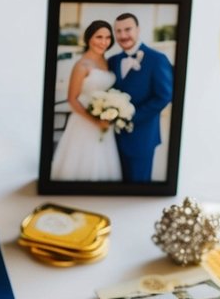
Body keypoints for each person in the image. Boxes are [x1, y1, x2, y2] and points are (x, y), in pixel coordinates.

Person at [50, 20, 123, 182]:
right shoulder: (82, 65)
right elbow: (72, 99)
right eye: (99, 37)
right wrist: (95, 121)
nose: (104, 42)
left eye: (107, 38)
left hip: (105, 122)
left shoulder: (106, 62)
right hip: (84, 122)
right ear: (89, 38)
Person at [109, 12, 173, 182]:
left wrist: (130, 116)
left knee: (137, 188)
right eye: (118, 31)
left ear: (138, 30)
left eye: (127, 29)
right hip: (112, 140)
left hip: (142, 137)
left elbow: (164, 96)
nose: (123, 35)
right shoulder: (112, 61)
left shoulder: (157, 59)